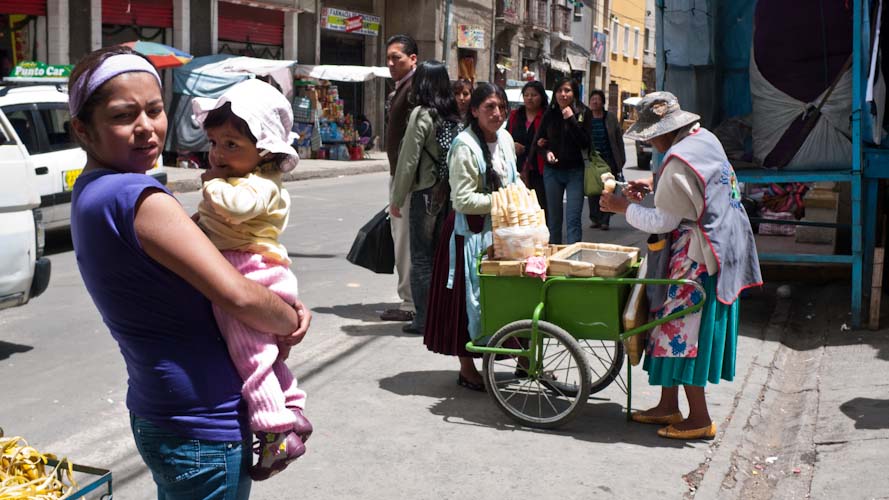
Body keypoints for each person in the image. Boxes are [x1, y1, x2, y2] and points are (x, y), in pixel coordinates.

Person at [68, 46, 310, 498]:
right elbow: (237, 295)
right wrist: (291, 318)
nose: (147, 128)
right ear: (83, 128)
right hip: (202, 423)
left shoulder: (91, 192)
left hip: (161, 410)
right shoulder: (138, 198)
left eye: (155, 110)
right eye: (124, 116)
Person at [600, 92, 762, 440]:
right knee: (665, 326)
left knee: (680, 332)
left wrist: (619, 207)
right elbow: (691, 185)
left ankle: (699, 418)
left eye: (649, 135)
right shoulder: (703, 138)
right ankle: (667, 404)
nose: (649, 141)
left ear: (663, 132)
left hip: (698, 252)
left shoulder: (675, 162)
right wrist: (653, 183)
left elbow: (663, 221)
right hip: (724, 239)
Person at [191, 79, 313, 481]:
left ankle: (274, 431)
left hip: (250, 269)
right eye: (214, 143)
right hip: (256, 267)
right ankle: (292, 409)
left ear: (263, 151)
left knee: (250, 355)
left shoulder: (258, 184)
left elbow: (239, 208)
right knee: (266, 354)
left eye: (231, 145)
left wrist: (211, 184)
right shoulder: (241, 178)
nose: (218, 154)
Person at [424, 83, 523, 391]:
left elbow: (514, 178)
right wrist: (504, 201)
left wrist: (521, 196)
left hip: (503, 231)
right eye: (490, 107)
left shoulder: (505, 138)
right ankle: (467, 368)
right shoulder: (464, 146)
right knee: (465, 303)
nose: (497, 113)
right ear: (475, 110)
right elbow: (463, 199)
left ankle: (523, 357)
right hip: (469, 235)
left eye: (501, 107)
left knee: (511, 295)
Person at [390, 61, 463, 335]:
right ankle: (441, 316)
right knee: (441, 256)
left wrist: (397, 199)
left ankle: (423, 319)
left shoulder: (422, 114)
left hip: (425, 193)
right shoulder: (453, 115)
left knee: (421, 258)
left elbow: (408, 160)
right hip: (449, 193)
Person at [382, 33, 419, 324]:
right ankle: (411, 298)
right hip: (402, 175)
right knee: (401, 237)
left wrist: (400, 186)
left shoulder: (414, 89)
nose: (391, 63)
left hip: (407, 178)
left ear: (413, 59)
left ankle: (409, 302)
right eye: (389, 58)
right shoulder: (402, 87)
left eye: (397, 57)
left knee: (404, 239)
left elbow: (412, 143)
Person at [529, 78, 592, 244]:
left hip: (575, 172)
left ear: (574, 93)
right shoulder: (550, 114)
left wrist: (571, 119)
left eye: (567, 91)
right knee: (554, 221)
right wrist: (546, 152)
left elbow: (585, 142)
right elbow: (538, 142)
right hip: (553, 172)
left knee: (573, 220)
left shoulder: (583, 112)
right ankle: (554, 259)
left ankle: (573, 260)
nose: (563, 94)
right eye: (559, 91)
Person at [507, 80, 548, 222]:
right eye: (526, 95)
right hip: (518, 168)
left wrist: (544, 145)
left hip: (540, 170)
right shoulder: (515, 116)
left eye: (534, 95)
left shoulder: (546, 117)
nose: (529, 98)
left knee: (540, 207)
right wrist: (513, 145)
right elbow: (505, 137)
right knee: (519, 207)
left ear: (541, 97)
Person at [587, 89, 626, 231]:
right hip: (593, 161)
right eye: (592, 99)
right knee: (593, 191)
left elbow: (618, 140)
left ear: (603, 102)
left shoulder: (610, 118)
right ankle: (595, 218)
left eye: (597, 99)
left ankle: (605, 220)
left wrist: (621, 160)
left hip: (609, 160)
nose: (595, 102)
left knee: (607, 190)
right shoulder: (587, 117)